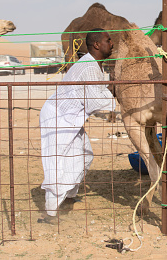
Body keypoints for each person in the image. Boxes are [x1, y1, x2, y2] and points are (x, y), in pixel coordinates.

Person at [39, 28, 116, 222]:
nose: (112, 43)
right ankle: (49, 213)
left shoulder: (95, 66)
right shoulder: (89, 67)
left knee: (84, 155)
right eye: (108, 40)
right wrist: (117, 98)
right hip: (58, 117)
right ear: (97, 45)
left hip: (71, 118)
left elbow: (96, 95)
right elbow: (95, 102)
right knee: (58, 163)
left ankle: (67, 197)